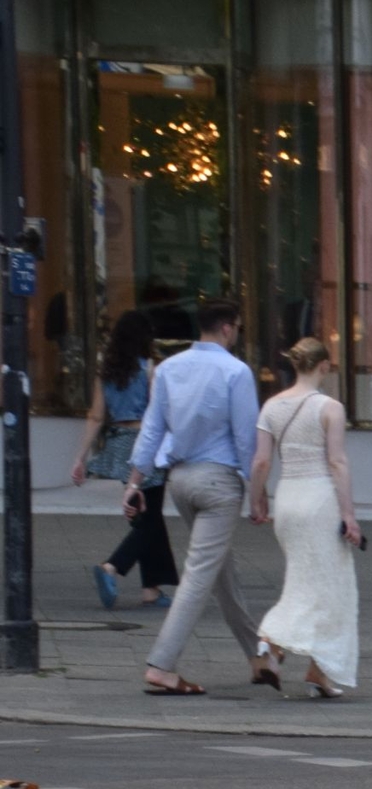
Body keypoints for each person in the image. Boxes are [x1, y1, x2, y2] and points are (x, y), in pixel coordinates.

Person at [129, 298, 272, 697]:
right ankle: (161, 663)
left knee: (220, 571)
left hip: (180, 481)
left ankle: (260, 658)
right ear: (227, 328)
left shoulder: (168, 368)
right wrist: (259, 495)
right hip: (219, 484)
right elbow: (247, 438)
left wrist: (135, 480)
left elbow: (152, 428)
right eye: (238, 328)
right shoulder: (236, 371)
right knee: (199, 576)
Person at [249, 337, 363, 697]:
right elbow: (336, 462)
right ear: (324, 367)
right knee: (331, 586)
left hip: (288, 500)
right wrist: (349, 514)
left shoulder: (271, 406)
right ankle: (273, 643)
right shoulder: (330, 407)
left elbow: (261, 462)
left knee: (305, 581)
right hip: (318, 501)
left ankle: (313, 667)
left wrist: (257, 500)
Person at [69, 309, 174, 611]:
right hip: (145, 446)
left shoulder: (106, 372)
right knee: (150, 518)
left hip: (119, 445)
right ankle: (111, 567)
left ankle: (151, 590)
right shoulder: (151, 369)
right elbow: (158, 416)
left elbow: (95, 416)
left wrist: (80, 457)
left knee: (146, 515)